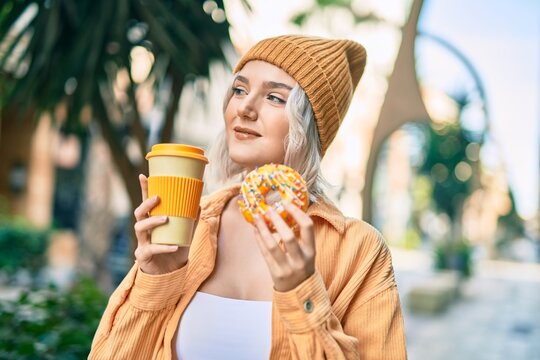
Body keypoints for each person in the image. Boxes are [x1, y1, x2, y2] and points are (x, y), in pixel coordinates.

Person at [89, 35, 407, 360]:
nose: (244, 108)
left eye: (274, 97)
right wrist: (157, 280)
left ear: (310, 124)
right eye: (239, 90)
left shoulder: (359, 251)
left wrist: (302, 292)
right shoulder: (190, 224)